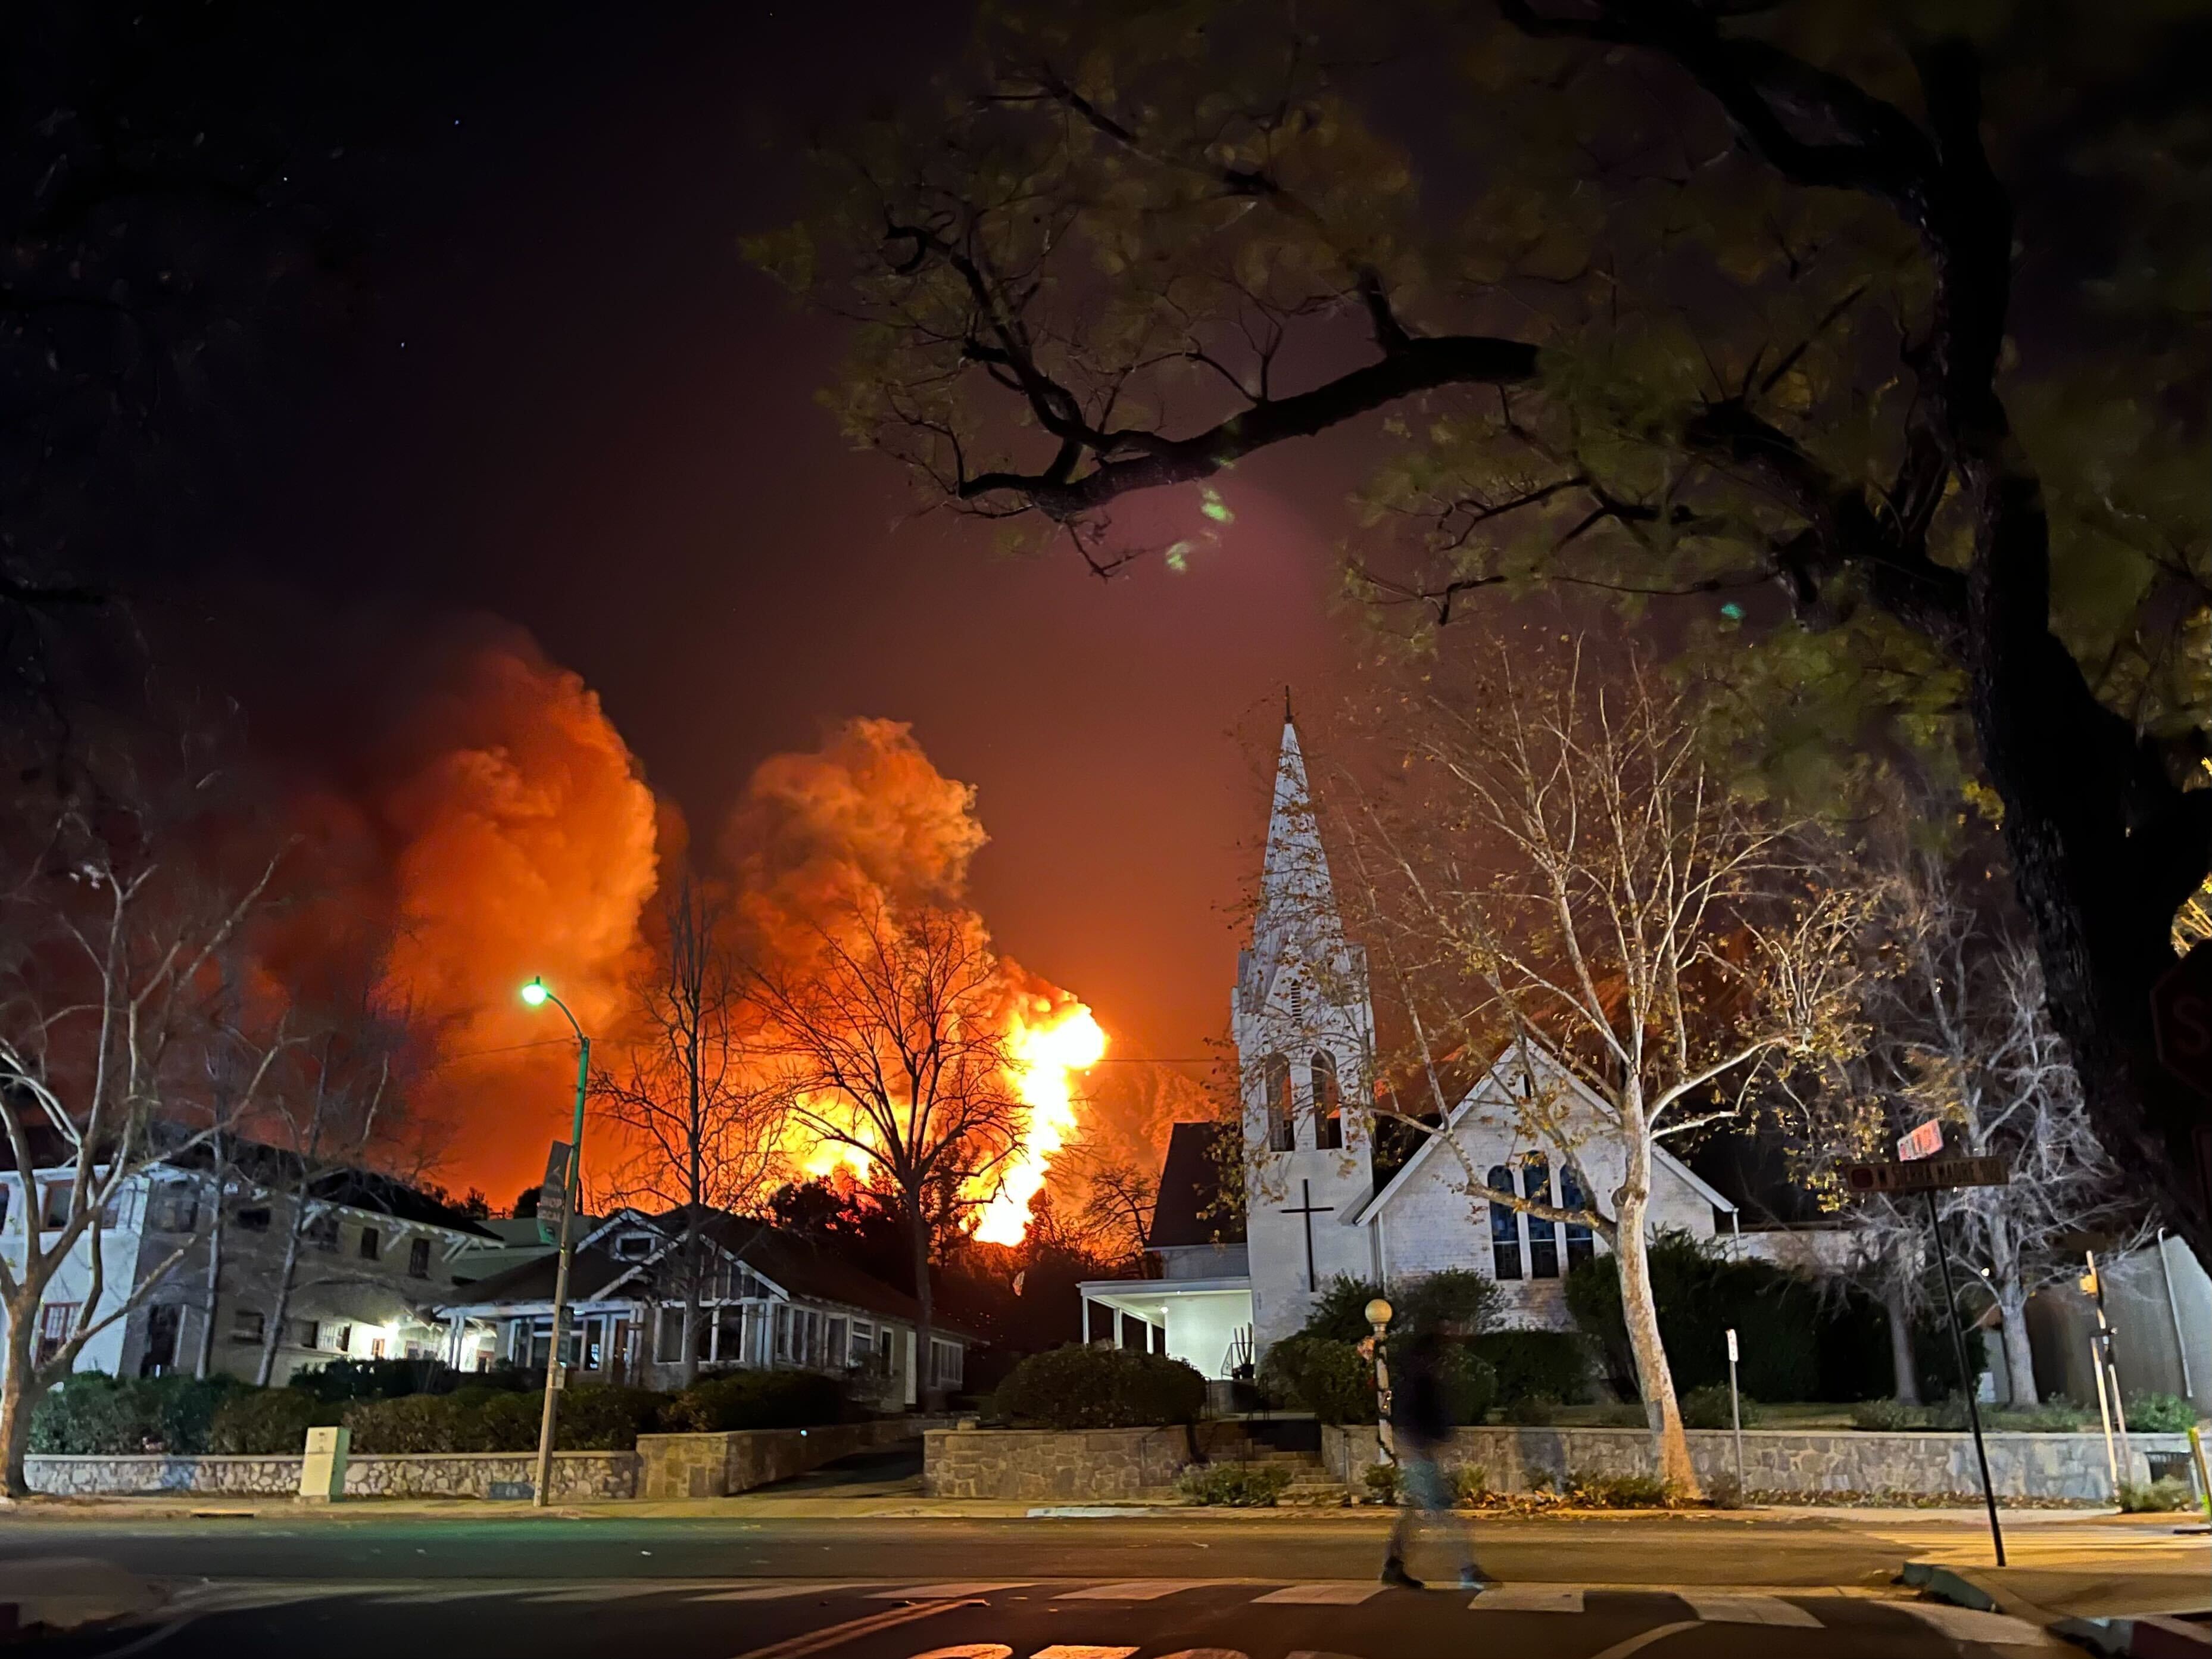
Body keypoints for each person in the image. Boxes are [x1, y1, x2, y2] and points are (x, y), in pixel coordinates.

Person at [1380, 1327, 1490, 1592]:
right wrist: (1438, 1442)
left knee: (1415, 1513)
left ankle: (1394, 1565)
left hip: (1416, 1452)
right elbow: (1428, 1420)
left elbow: (1406, 1419)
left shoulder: (1413, 1380)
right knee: (1444, 1513)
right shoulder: (1423, 1382)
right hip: (1421, 1454)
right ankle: (1468, 1570)